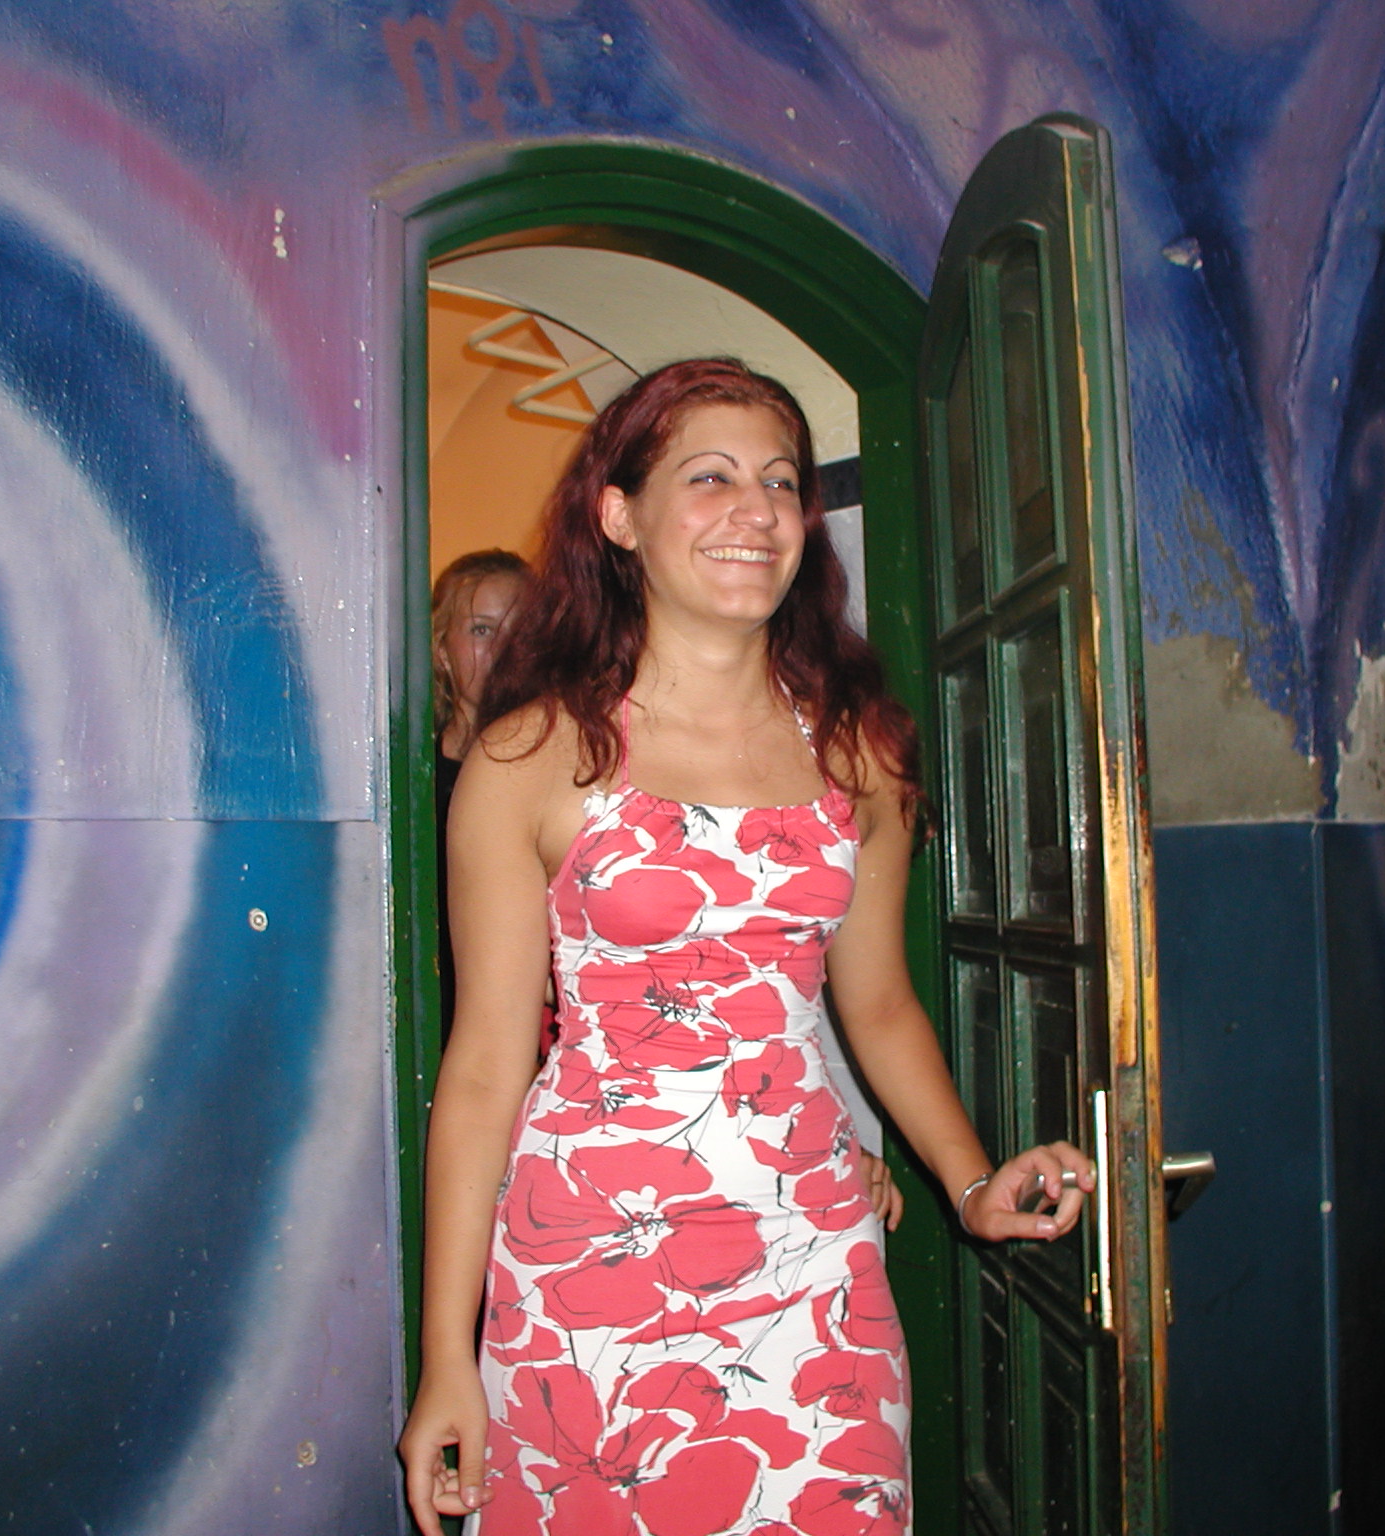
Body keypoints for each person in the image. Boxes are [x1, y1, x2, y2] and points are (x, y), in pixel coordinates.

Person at [400, 358, 1093, 1535]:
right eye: (709, 477)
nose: (756, 510)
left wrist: (969, 1181)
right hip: (586, 1259)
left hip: (807, 1250)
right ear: (618, 516)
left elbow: (876, 1004)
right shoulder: (530, 757)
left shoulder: (857, 753)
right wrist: (445, 1358)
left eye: (780, 481)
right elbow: (480, 1071)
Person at [431, 549, 532, 1035]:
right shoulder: (407, 776)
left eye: (522, 630)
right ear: (442, 651)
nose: (505, 649)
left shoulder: (570, 767)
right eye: (482, 630)